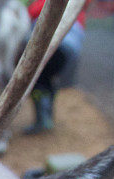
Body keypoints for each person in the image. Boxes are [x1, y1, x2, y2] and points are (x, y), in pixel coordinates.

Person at [24, 0, 89, 135]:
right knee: (47, 79)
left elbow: (32, 12)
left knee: (37, 81)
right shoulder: (78, 8)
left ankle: (42, 119)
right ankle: (46, 116)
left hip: (53, 46)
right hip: (69, 51)